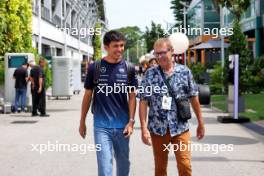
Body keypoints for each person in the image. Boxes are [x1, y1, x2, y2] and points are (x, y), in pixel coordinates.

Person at [138, 38, 205, 176]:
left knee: (185, 165)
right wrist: (144, 128)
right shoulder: (150, 74)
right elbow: (143, 101)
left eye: (163, 53)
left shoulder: (184, 72)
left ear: (172, 51)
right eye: (157, 54)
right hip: (158, 129)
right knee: (160, 168)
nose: (159, 57)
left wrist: (200, 122)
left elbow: (193, 97)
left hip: (180, 127)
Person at [79, 30, 138, 176]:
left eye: (122, 45)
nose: (120, 49)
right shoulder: (95, 67)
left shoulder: (129, 68)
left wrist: (131, 121)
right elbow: (87, 95)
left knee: (123, 165)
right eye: (116, 46)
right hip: (101, 127)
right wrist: (82, 121)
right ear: (106, 47)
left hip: (123, 126)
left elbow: (132, 96)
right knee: (105, 167)